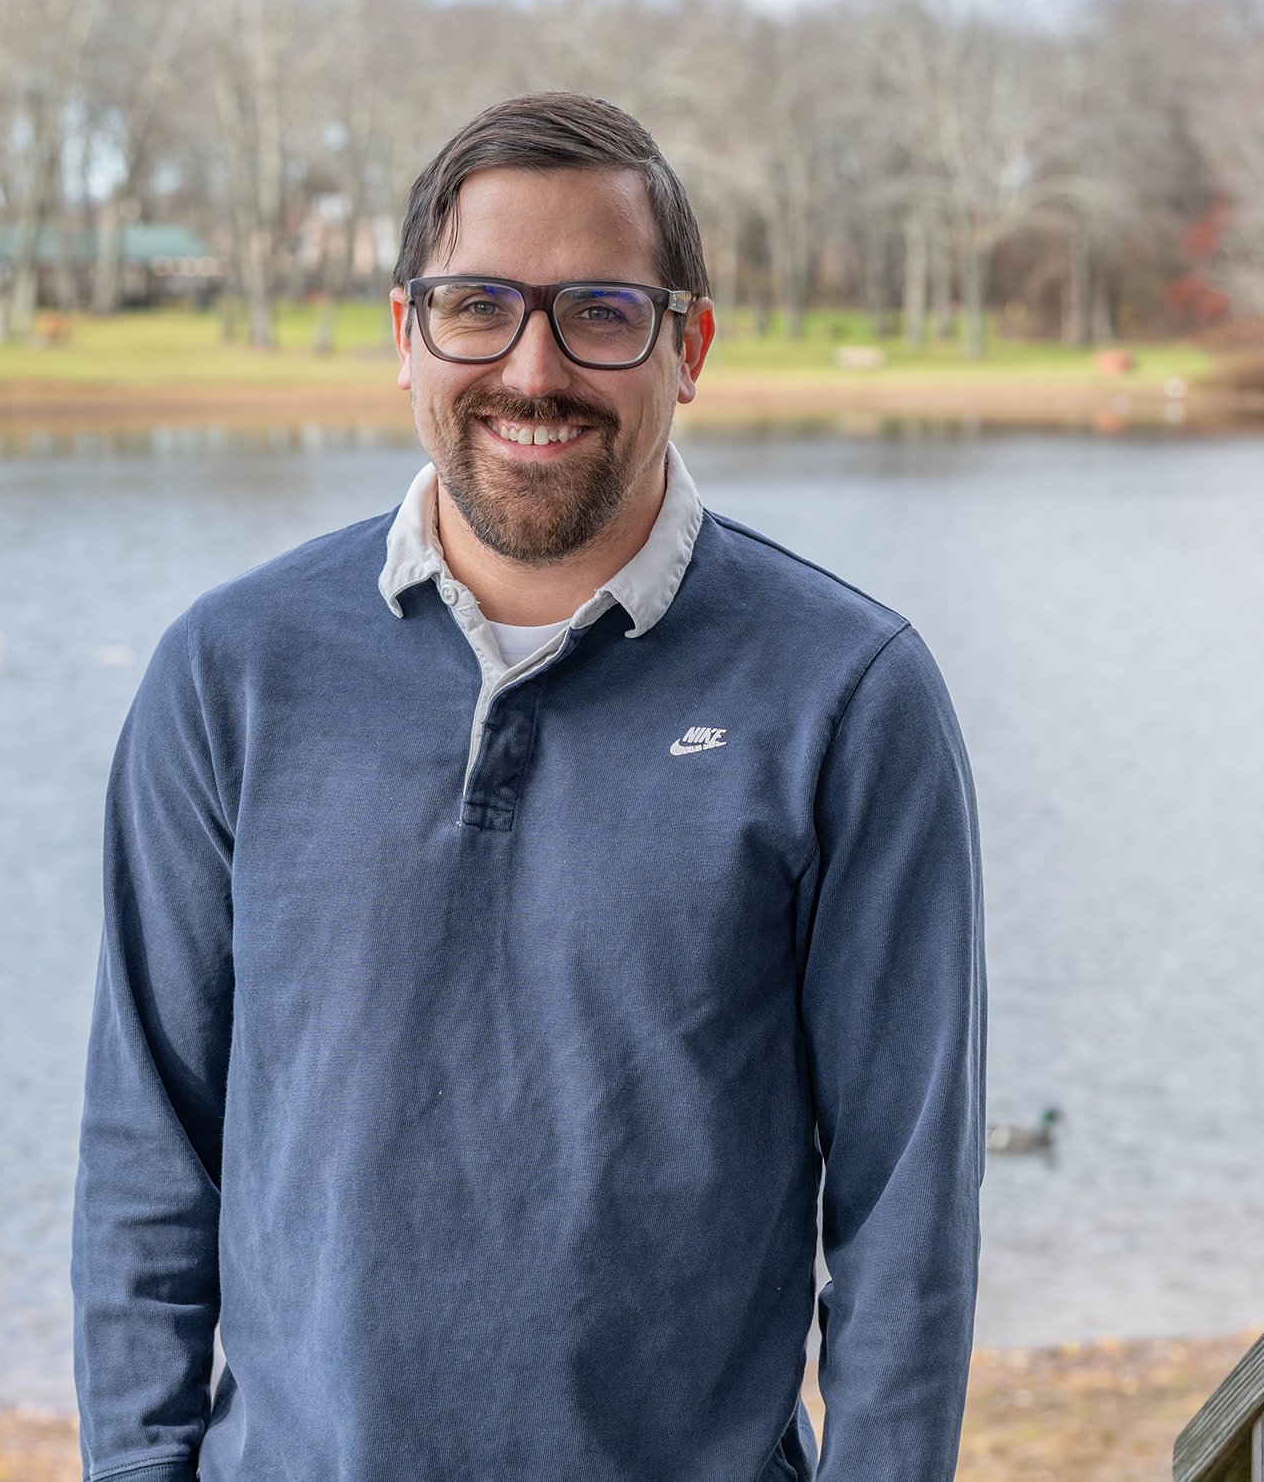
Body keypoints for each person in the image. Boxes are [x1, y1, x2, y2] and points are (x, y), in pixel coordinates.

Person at [71, 92, 986, 1482]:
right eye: (477, 306)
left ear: (691, 347)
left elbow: (907, 1206)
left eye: (604, 311)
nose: (534, 368)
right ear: (404, 338)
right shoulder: (231, 673)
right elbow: (148, 1150)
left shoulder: (849, 695)